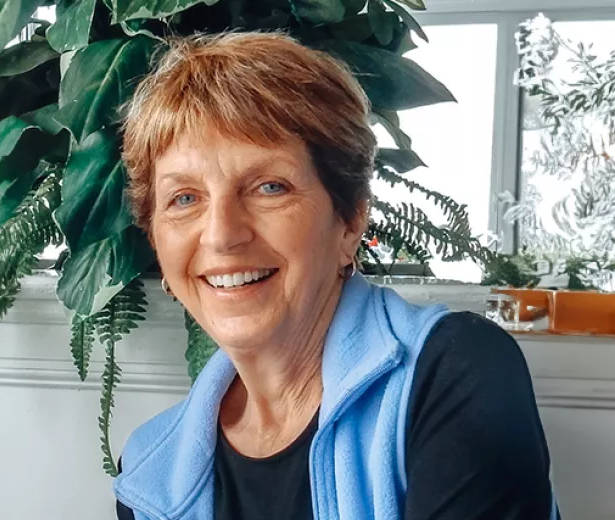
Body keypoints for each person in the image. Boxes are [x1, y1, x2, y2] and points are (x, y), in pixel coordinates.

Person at [114, 32, 559, 520]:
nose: (221, 236)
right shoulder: (149, 472)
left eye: (269, 186)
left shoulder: (453, 371)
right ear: (155, 236)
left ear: (349, 221)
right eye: (184, 198)